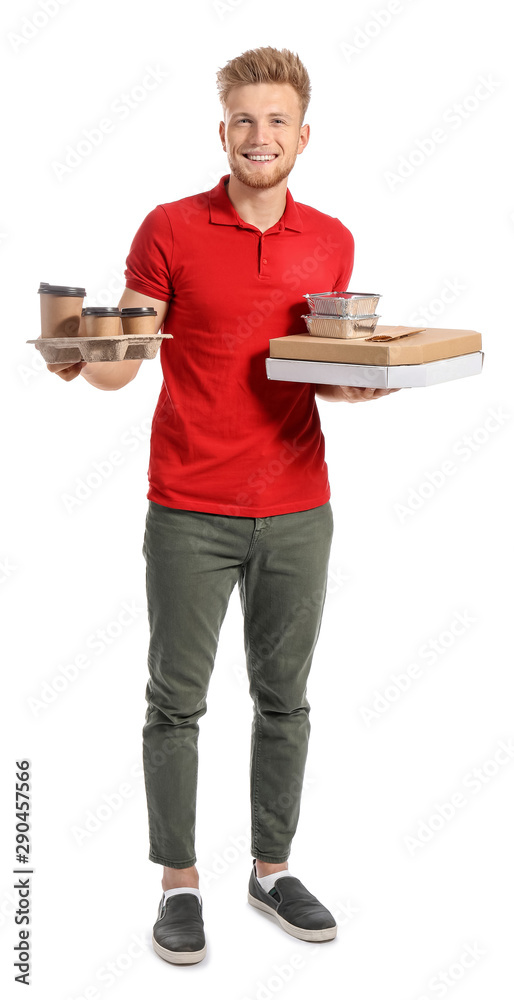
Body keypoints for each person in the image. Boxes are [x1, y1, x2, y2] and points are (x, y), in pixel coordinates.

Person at [48, 46, 400, 966]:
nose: (260, 135)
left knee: (285, 701)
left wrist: (354, 389)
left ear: (304, 135)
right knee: (177, 703)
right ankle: (178, 883)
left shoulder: (332, 240)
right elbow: (125, 360)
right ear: (223, 131)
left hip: (298, 505)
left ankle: (272, 869)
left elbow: (312, 366)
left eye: (278, 120)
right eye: (245, 119)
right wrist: (78, 361)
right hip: (190, 508)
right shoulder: (168, 227)